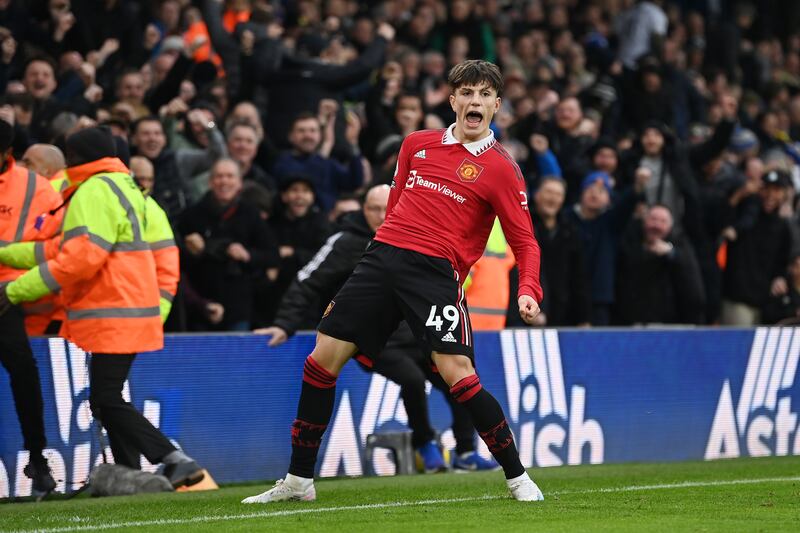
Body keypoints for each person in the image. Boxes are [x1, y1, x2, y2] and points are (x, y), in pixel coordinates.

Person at [243, 60, 545, 504]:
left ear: (496, 105)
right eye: (466, 92)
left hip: (435, 274)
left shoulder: (502, 168)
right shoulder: (416, 145)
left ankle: (518, 477)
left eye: (484, 94)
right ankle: (298, 481)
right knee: (320, 361)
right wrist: (379, 252)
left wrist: (528, 289)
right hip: (382, 260)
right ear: (452, 100)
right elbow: (398, 203)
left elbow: (526, 242)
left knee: (458, 377)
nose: (474, 101)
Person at [0, 127, 204, 488]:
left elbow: (78, 259)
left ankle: (174, 459)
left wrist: (15, 290)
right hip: (128, 310)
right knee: (106, 398)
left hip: (115, 311)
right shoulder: (120, 188)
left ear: (78, 158)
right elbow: (57, 249)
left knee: (106, 398)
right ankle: (131, 473)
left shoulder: (93, 191)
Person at [257, 185, 497, 472]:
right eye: (374, 209)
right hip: (374, 340)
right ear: (363, 210)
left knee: (459, 381)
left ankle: (467, 452)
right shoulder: (346, 241)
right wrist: (285, 324)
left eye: (388, 208)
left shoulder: (414, 238)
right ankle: (424, 443)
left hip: (418, 336)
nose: (383, 215)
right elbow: (307, 280)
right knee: (411, 380)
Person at [0, 118, 59, 495]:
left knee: (23, 370)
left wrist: (19, 287)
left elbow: (55, 242)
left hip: (8, 296)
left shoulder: (36, 187)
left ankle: (37, 459)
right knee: (23, 370)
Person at [615, 204, 706, 325]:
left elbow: (692, 286)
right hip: (632, 322)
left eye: (663, 221)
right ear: (644, 221)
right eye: (653, 219)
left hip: (669, 323)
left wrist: (671, 254)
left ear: (670, 226)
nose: (656, 225)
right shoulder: (629, 243)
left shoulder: (681, 247)